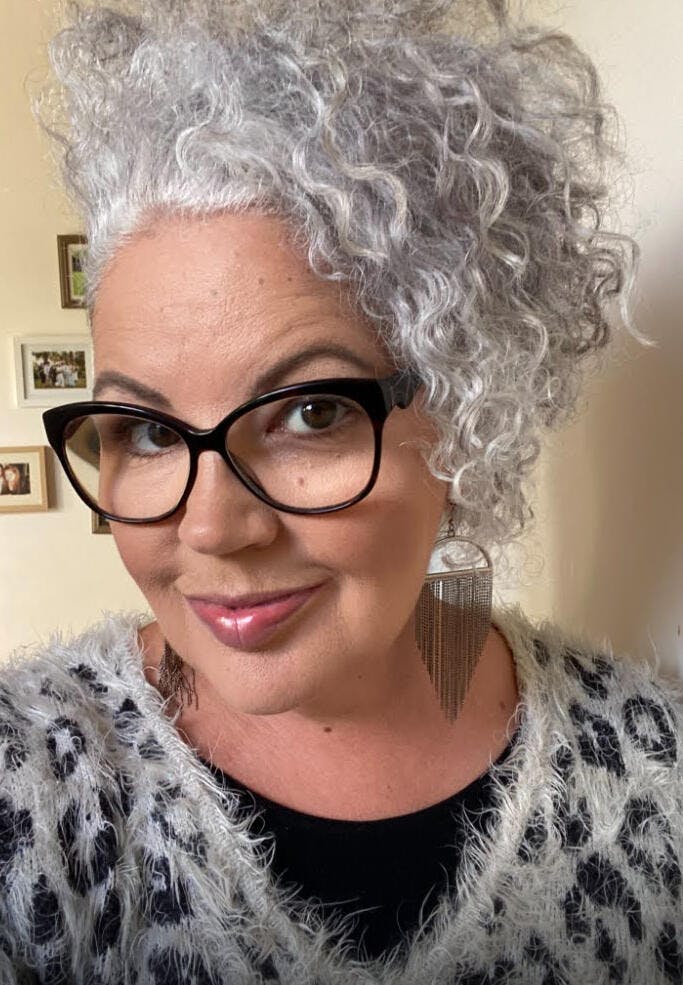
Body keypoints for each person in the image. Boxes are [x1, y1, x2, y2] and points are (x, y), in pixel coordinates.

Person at [2, 1, 681, 982]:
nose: (210, 527)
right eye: (146, 431)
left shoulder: (654, 782)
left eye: (310, 411)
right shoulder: (28, 794)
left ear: (462, 409)